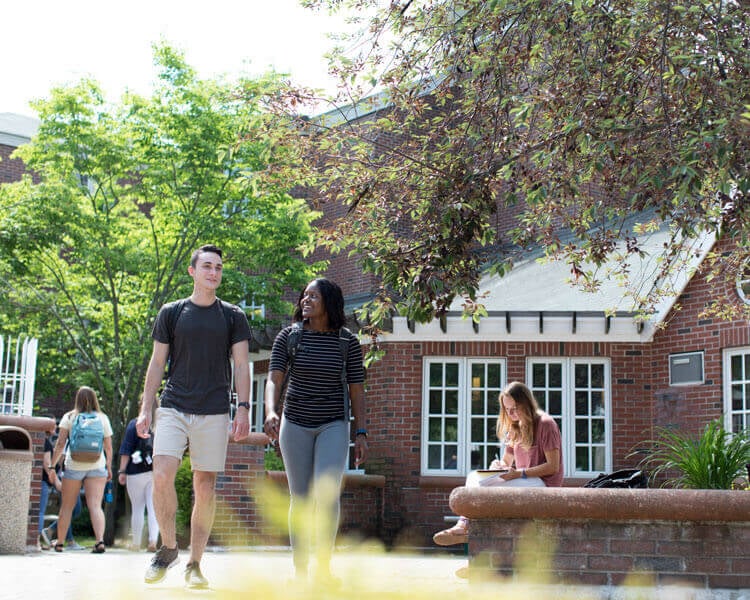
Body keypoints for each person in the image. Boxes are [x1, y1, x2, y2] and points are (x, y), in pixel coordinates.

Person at [137, 244, 252, 590]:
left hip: (214, 410)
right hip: (173, 405)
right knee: (161, 475)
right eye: (207, 266)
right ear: (192, 271)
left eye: (218, 267)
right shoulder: (172, 312)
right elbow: (157, 363)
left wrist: (243, 408)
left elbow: (243, 366)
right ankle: (169, 548)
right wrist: (146, 407)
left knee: (205, 486)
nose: (213, 272)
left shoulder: (233, 316)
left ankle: (195, 564)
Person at [263, 277, 368, 582]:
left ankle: (323, 569)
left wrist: (361, 432)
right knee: (300, 497)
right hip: (294, 423)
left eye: (313, 297)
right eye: (304, 296)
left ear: (329, 304)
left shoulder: (347, 342)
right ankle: (299, 571)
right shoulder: (289, 337)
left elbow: (357, 391)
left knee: (327, 495)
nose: (305, 301)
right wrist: (271, 410)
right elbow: (274, 379)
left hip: (333, 424)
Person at [433, 381, 563, 546]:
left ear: (526, 403)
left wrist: (519, 473)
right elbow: (506, 461)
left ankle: (465, 529)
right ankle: (464, 526)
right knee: (474, 477)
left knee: (486, 491)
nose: (511, 414)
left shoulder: (546, 424)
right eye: (507, 410)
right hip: (523, 478)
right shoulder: (515, 426)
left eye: (514, 408)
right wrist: (498, 465)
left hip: (544, 483)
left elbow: (553, 466)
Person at [50, 386, 113, 553]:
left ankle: (60, 543)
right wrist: (109, 466)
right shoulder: (102, 418)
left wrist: (52, 465)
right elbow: (108, 447)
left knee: (67, 507)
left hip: (74, 465)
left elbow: (60, 444)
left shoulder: (69, 417)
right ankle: (100, 542)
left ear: (77, 399)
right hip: (97, 465)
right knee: (95, 506)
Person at [39, 427, 83, 550]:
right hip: (66, 477)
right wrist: (57, 480)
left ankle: (52, 530)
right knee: (70, 509)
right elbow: (57, 461)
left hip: (71, 477)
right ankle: (68, 541)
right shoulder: (65, 442)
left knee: (73, 509)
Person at [118, 416, 159, 552]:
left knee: (137, 508)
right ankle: (153, 541)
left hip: (135, 472)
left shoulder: (134, 424)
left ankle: (136, 543)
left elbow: (126, 449)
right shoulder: (162, 423)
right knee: (153, 508)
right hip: (155, 471)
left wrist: (122, 471)